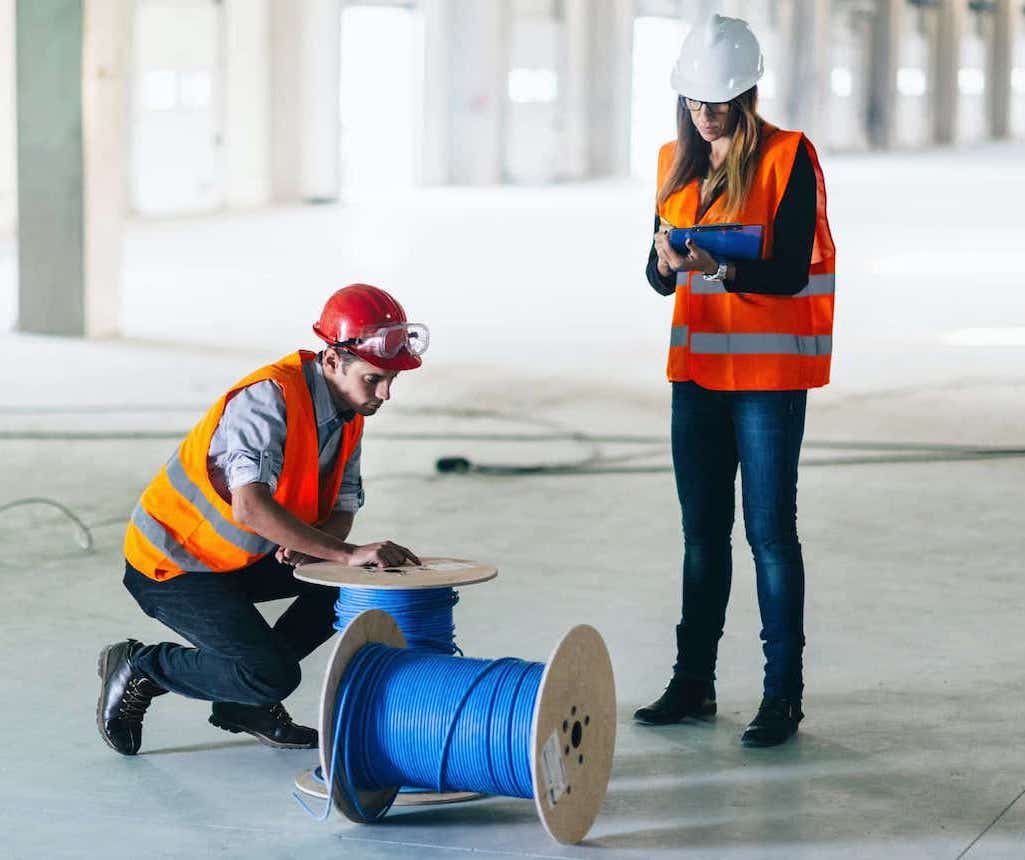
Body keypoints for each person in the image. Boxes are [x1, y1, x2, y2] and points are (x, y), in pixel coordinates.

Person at [97, 284, 427, 756]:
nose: (386, 393)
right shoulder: (267, 399)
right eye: (375, 379)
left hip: (243, 558)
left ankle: (246, 705)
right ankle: (142, 666)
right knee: (270, 673)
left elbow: (342, 509)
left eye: (393, 379)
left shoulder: (348, 412)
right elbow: (249, 506)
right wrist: (343, 553)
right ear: (332, 361)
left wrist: (324, 549)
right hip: (175, 563)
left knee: (348, 584)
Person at [633, 15, 836, 747]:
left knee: (769, 534)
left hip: (766, 378)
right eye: (695, 101)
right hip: (697, 378)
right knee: (700, 536)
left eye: (719, 101)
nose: (707, 112)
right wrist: (664, 263)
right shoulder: (671, 162)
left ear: (747, 93)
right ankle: (693, 684)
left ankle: (781, 696)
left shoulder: (788, 156)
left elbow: (787, 270)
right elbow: (655, 278)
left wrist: (715, 267)